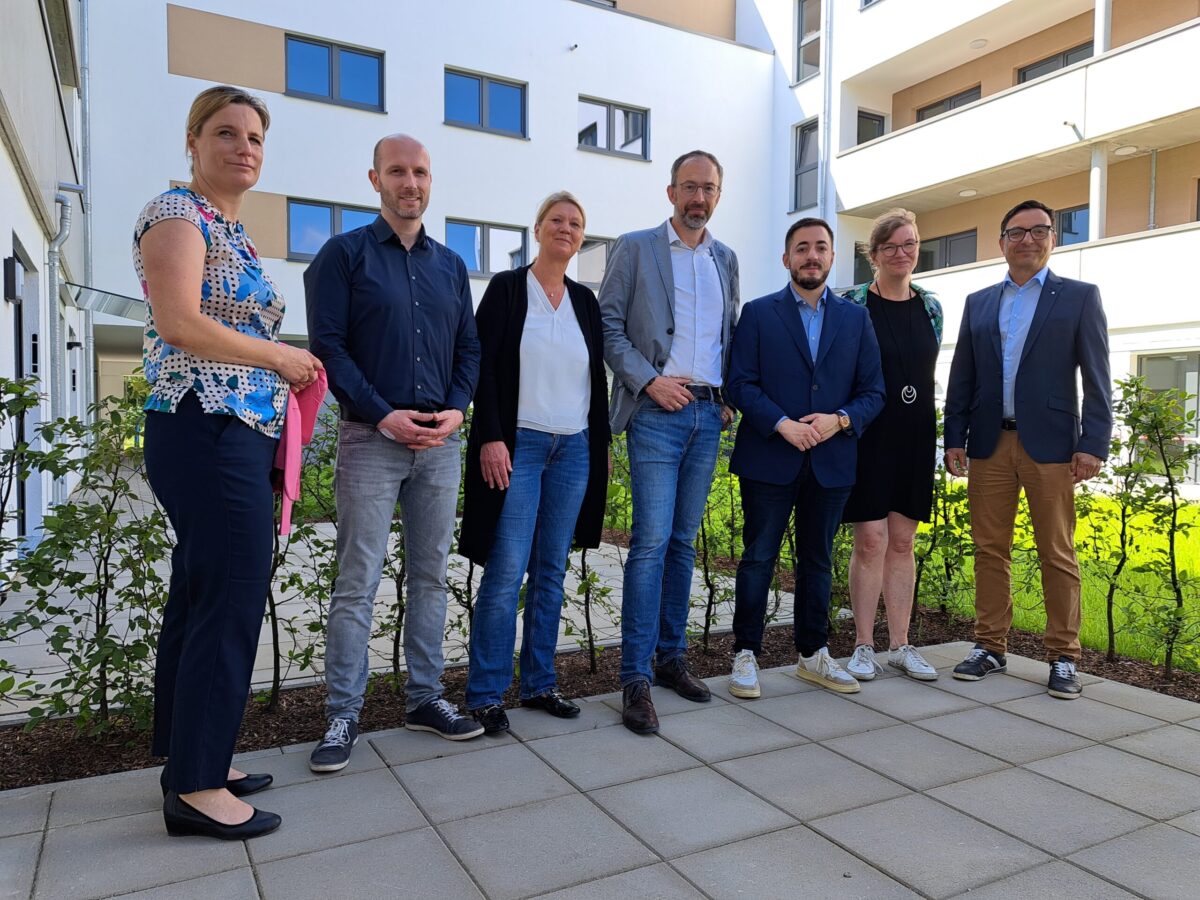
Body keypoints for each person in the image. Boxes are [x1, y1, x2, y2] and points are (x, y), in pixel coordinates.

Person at [136, 85, 323, 839]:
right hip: (203, 425)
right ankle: (197, 788)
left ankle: (192, 758)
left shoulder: (227, 228)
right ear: (193, 142)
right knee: (232, 595)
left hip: (230, 431)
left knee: (202, 593)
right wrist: (280, 356)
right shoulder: (176, 214)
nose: (244, 147)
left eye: (254, 137)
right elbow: (179, 322)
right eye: (225, 132)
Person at [305, 134, 483, 772]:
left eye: (421, 173)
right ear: (375, 179)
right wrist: (384, 414)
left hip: (440, 443)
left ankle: (424, 698)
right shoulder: (343, 256)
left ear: (431, 182)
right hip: (370, 440)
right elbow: (329, 346)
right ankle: (342, 713)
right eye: (398, 172)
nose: (411, 183)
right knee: (358, 581)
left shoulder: (450, 266)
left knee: (431, 576)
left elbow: (468, 348)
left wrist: (458, 409)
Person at [944, 199, 1112, 699]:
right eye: (1017, 232)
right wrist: (954, 437)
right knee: (989, 548)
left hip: (1053, 447)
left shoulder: (1079, 297)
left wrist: (1093, 443)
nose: (1028, 240)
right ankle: (990, 645)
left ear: (1053, 239)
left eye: (1040, 230)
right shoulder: (979, 302)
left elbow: (1097, 377)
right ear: (1002, 243)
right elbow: (962, 375)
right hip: (989, 442)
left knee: (1056, 551)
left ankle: (1064, 656)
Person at [459, 192, 611, 734]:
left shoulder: (585, 301)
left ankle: (540, 683)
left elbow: (594, 380)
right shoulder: (506, 289)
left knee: (551, 570)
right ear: (539, 228)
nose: (566, 229)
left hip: (573, 449)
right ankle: (486, 694)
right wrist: (490, 437)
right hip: (518, 445)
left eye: (576, 223)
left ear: (581, 236)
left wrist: (598, 448)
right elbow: (481, 367)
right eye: (557, 220)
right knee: (506, 571)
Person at [599, 150, 740, 735]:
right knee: (651, 543)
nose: (697, 198)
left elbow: (728, 334)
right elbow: (607, 326)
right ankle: (634, 677)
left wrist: (728, 395)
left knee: (683, 543)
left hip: (708, 415)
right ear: (671, 191)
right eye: (689, 187)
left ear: (717, 195)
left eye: (708, 188)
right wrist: (649, 381)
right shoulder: (635, 248)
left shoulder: (725, 259)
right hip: (656, 412)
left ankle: (670, 658)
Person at [725, 218, 885, 698]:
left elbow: (873, 392)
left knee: (818, 561)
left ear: (832, 257)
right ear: (786, 258)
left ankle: (813, 654)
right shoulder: (758, 313)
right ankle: (745, 653)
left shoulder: (856, 319)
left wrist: (839, 420)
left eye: (820, 247)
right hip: (769, 456)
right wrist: (782, 423)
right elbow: (740, 383)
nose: (811, 256)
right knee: (758, 558)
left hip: (831, 460)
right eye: (801, 248)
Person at [840, 209, 942, 682]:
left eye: (910, 244)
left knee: (902, 541)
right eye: (891, 246)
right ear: (874, 254)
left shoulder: (932, 307)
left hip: (916, 435)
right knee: (871, 541)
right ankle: (863, 645)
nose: (902, 253)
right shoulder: (853, 303)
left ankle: (900, 644)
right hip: (869, 435)